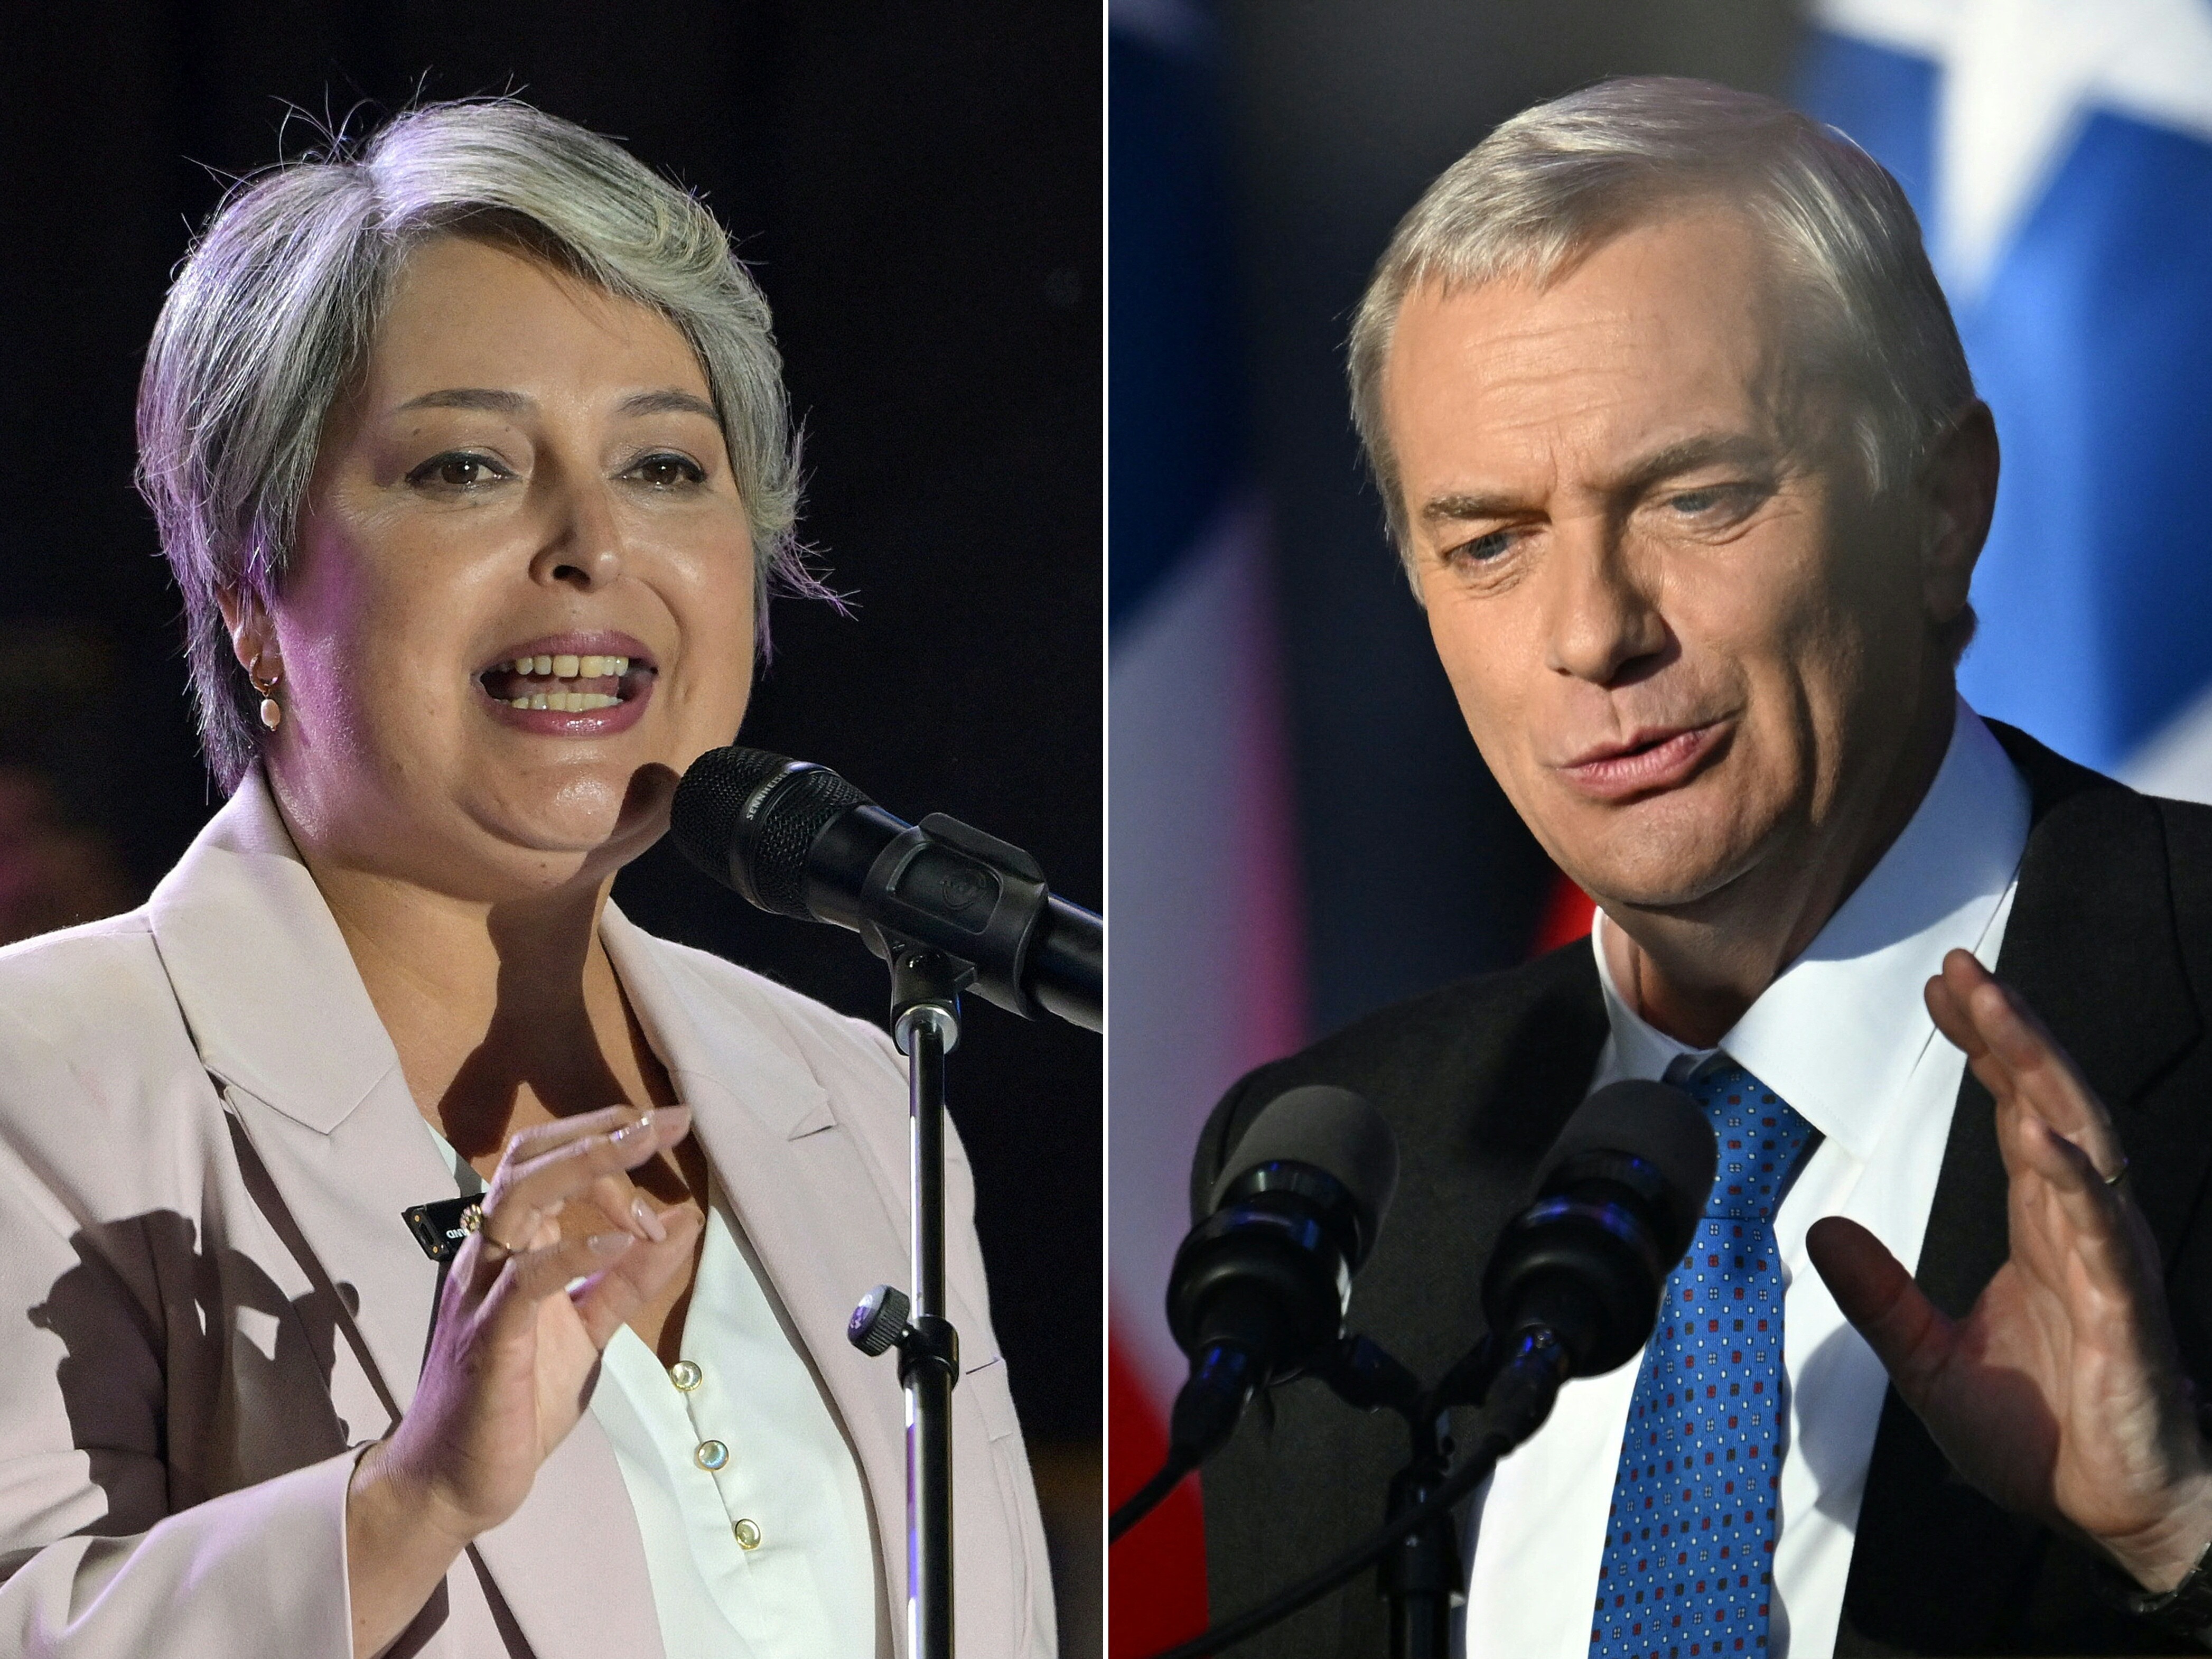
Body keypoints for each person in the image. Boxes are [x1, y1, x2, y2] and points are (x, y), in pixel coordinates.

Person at [0, 100, 1054, 1658]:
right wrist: (409, 1501)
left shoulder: (852, 1094)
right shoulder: (50, 1081)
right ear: (245, 591)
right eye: (468, 465)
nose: (592, 543)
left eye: (665, 466)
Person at [1191, 77, 2212, 1657]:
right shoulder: (1339, 1166)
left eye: (1695, 497)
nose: (1593, 631)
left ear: (1941, 509)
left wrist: (2180, 1541)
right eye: (1488, 542)